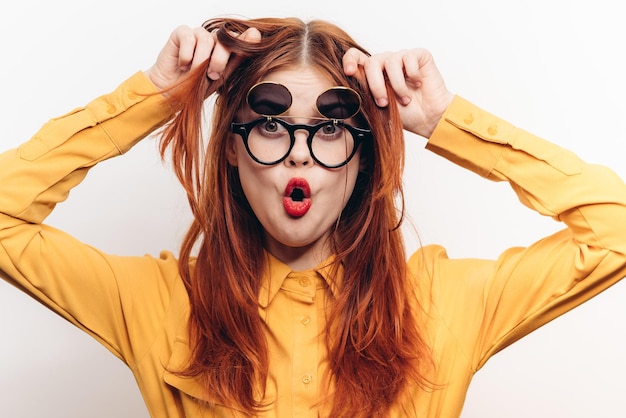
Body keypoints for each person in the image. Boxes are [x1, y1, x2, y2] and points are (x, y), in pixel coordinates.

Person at [1, 15, 625, 418]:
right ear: (232, 155)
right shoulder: (155, 300)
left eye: (329, 129)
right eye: (270, 124)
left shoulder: (442, 301)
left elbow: (615, 231)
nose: (299, 153)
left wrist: (444, 122)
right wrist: (152, 100)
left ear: (363, 161)